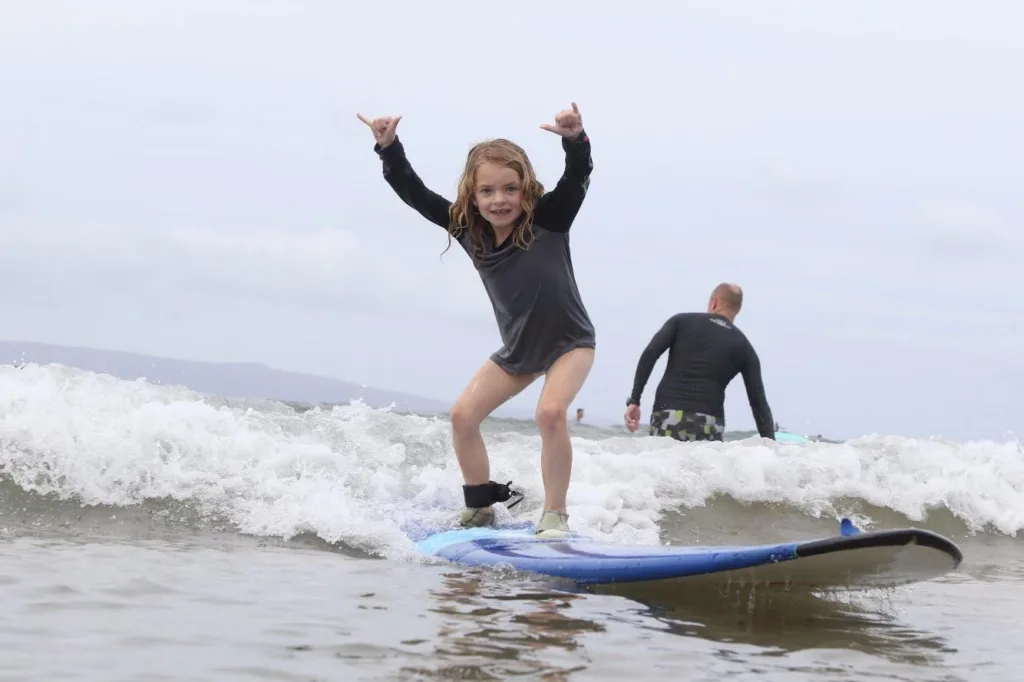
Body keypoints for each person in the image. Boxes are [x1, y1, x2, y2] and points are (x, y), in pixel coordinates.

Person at [357, 103, 596, 538]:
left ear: (527, 189)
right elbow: (415, 194)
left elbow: (576, 179)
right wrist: (388, 148)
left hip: (570, 342)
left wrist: (575, 140)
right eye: (487, 191)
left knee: (550, 413)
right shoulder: (468, 229)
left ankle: (555, 515)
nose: (499, 200)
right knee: (463, 416)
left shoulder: (550, 219)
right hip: (519, 349)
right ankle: (481, 507)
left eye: (510, 189)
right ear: (472, 194)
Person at [624, 283, 775, 442]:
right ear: (737, 310)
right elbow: (758, 403)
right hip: (709, 422)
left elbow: (650, 354)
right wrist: (771, 448)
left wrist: (635, 399)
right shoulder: (743, 346)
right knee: (701, 466)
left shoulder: (681, 322)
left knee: (663, 464)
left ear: (714, 302)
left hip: (668, 413)